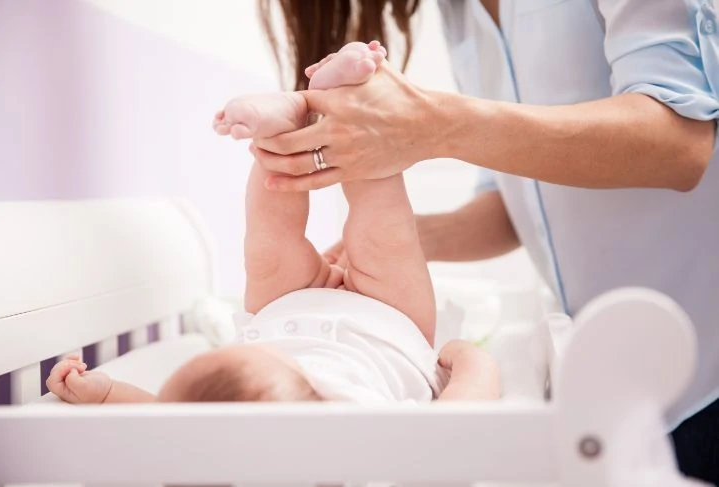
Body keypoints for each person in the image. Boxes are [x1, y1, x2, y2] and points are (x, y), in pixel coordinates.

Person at [247, 0, 719, 483]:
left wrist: (434, 125)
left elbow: (681, 140)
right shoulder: (461, 13)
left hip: (705, 364)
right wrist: (403, 245)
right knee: (318, 216)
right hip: (617, 377)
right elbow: (522, 203)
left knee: (290, 234)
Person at [45, 42, 500, 406]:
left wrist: (107, 393)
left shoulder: (208, 453)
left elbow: (165, 418)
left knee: (271, 238)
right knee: (376, 228)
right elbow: (463, 413)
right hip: (390, 324)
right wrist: (471, 362)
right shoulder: (367, 434)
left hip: (281, 313)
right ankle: (341, 100)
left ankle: (283, 128)